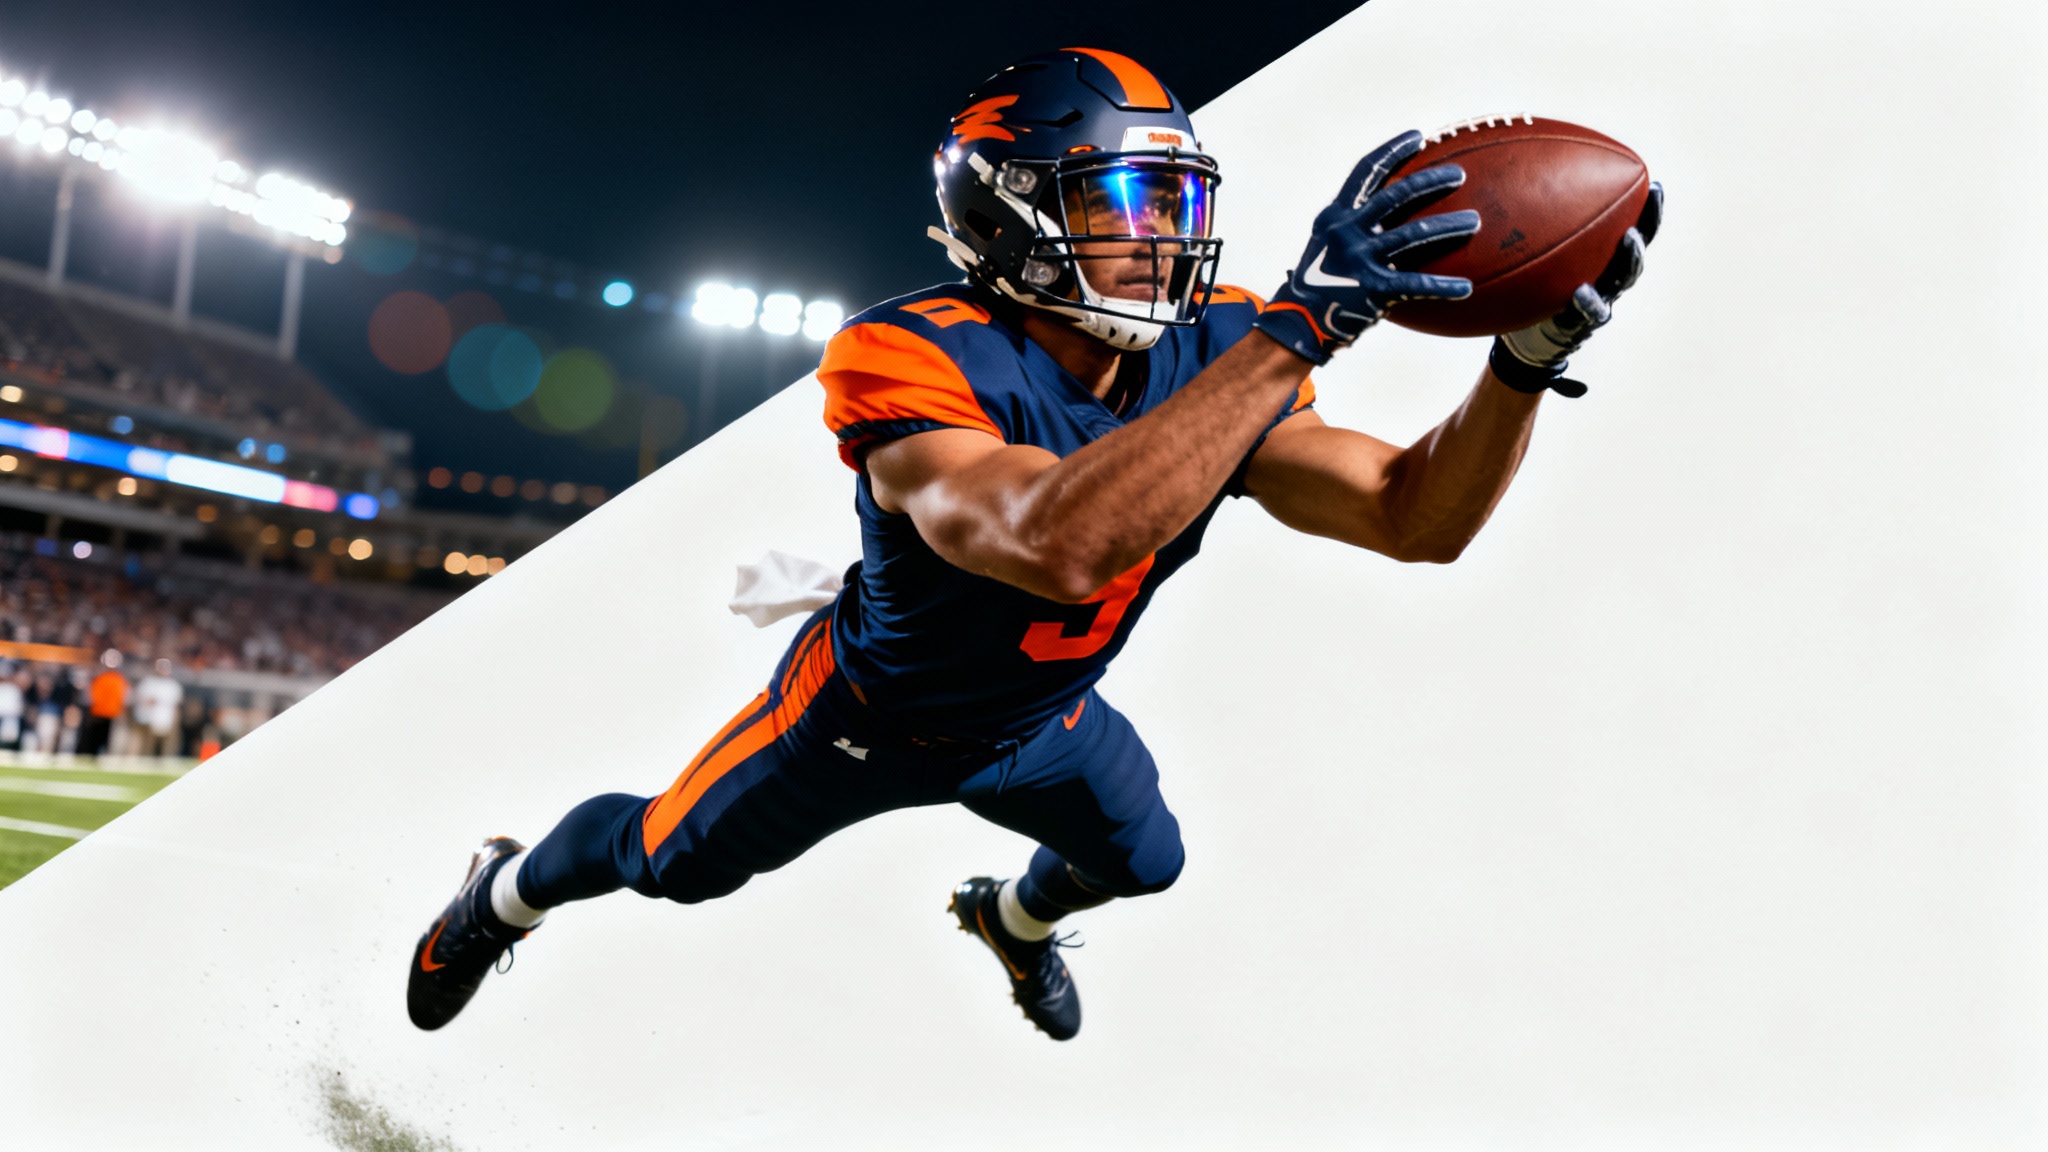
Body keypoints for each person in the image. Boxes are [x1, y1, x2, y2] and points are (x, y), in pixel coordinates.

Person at [409, 48, 1662, 1039]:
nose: (1160, 237)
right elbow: (1055, 544)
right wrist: (1296, 333)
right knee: (667, 863)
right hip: (863, 720)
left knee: (1147, 860)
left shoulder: (1224, 342)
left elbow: (1406, 517)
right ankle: (501, 893)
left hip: (1042, 719)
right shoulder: (908, 351)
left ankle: (1006, 922)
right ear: (1004, 216)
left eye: (1174, 199)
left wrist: (1517, 370)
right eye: (1121, 201)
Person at [130, 659, 184, 758]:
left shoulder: (173, 685)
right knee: (148, 746)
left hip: (165, 720)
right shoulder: (148, 682)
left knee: (164, 746)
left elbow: (176, 704)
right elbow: (142, 699)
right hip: (147, 720)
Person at [79, 651, 129, 758]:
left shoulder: (120, 679)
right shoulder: (98, 677)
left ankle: (101, 755)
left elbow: (122, 697)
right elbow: (91, 696)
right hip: (97, 713)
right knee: (93, 738)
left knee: (107, 739)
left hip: (111, 714)